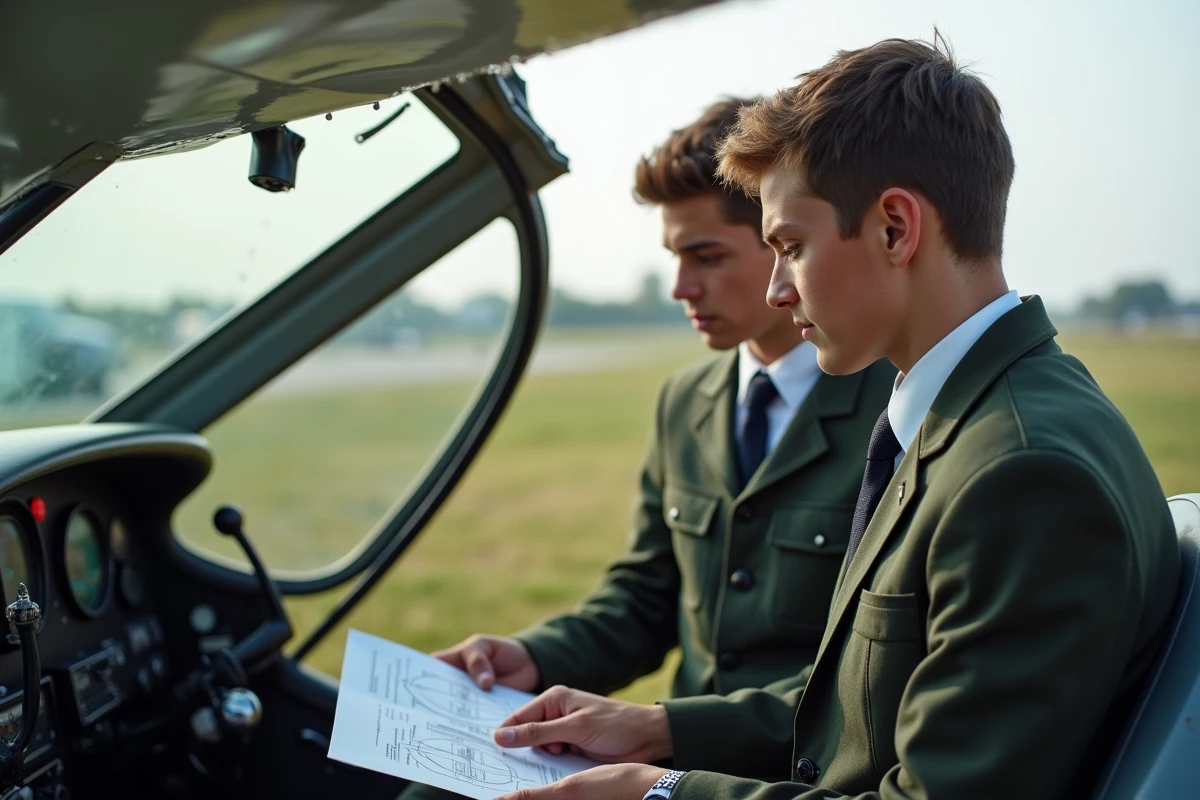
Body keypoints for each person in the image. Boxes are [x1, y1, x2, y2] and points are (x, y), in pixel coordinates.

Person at [486, 35, 1182, 800]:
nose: (779, 290)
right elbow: (864, 706)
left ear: (895, 228)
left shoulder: (1021, 470)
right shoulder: (970, 419)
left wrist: (660, 793)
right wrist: (659, 729)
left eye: (790, 245)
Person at [397, 98, 896, 799]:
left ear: (783, 241)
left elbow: (873, 683)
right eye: (674, 257)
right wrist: (531, 657)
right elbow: (646, 597)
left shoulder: (897, 413)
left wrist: (659, 731)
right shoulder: (684, 402)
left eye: (707, 257)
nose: (681, 288)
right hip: (659, 760)